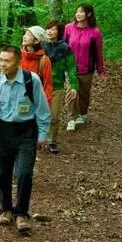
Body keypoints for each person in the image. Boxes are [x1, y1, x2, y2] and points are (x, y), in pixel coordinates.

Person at [0, 46, 52, 234]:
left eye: (7, 61)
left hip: (27, 131)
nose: (2, 64)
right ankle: (5, 209)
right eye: (1, 60)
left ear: (18, 62)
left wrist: (42, 135)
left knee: (24, 173)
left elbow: (43, 110)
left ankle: (21, 213)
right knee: (2, 173)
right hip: (4, 131)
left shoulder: (31, 80)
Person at [64, 4, 104, 131]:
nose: (78, 14)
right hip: (71, 68)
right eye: (77, 12)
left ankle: (83, 114)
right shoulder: (68, 28)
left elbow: (98, 52)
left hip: (87, 69)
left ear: (89, 14)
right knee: (71, 91)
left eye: (81, 12)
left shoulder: (95, 32)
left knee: (84, 93)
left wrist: (100, 69)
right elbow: (63, 46)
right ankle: (71, 118)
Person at [42, 20, 79, 154]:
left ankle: (52, 141)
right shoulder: (41, 46)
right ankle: (38, 139)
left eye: (53, 29)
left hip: (57, 87)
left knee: (54, 116)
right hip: (40, 86)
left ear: (59, 32)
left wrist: (73, 85)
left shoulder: (65, 48)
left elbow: (71, 67)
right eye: (48, 28)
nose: (50, 31)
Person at [20, 26, 53, 103]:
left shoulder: (44, 60)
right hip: (18, 99)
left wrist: (46, 105)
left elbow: (47, 86)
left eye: (28, 35)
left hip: (36, 101)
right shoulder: (18, 56)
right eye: (25, 34)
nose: (24, 36)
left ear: (36, 40)